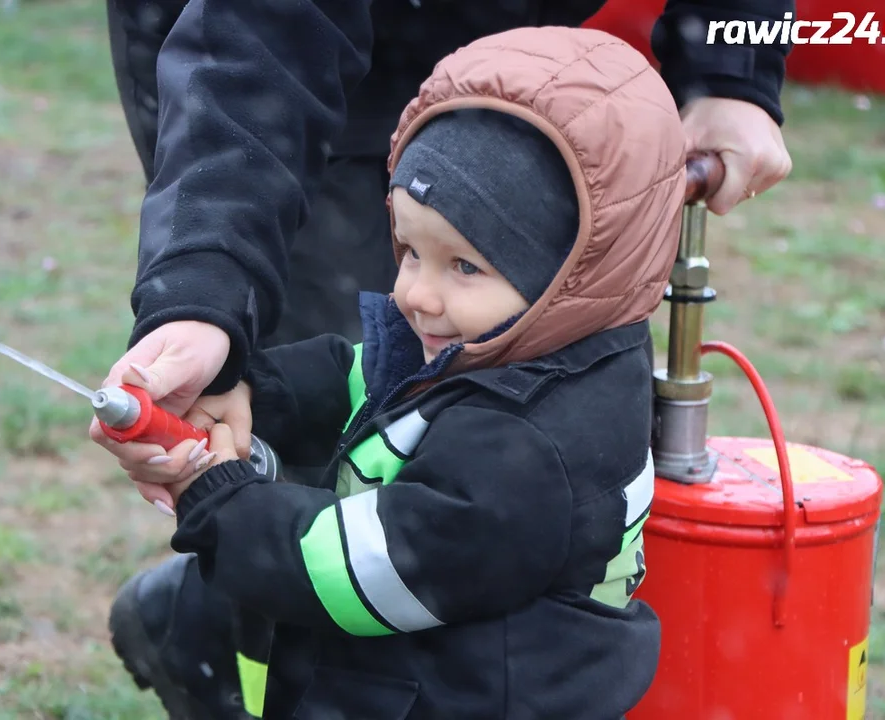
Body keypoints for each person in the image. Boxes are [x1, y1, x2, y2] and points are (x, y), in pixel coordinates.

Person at [116, 27, 690, 719]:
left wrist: (222, 502)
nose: (417, 293)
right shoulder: (517, 342)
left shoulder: (531, 450)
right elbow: (375, 382)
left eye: (464, 266)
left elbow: (368, 570)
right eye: (411, 250)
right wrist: (261, 392)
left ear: (572, 270)